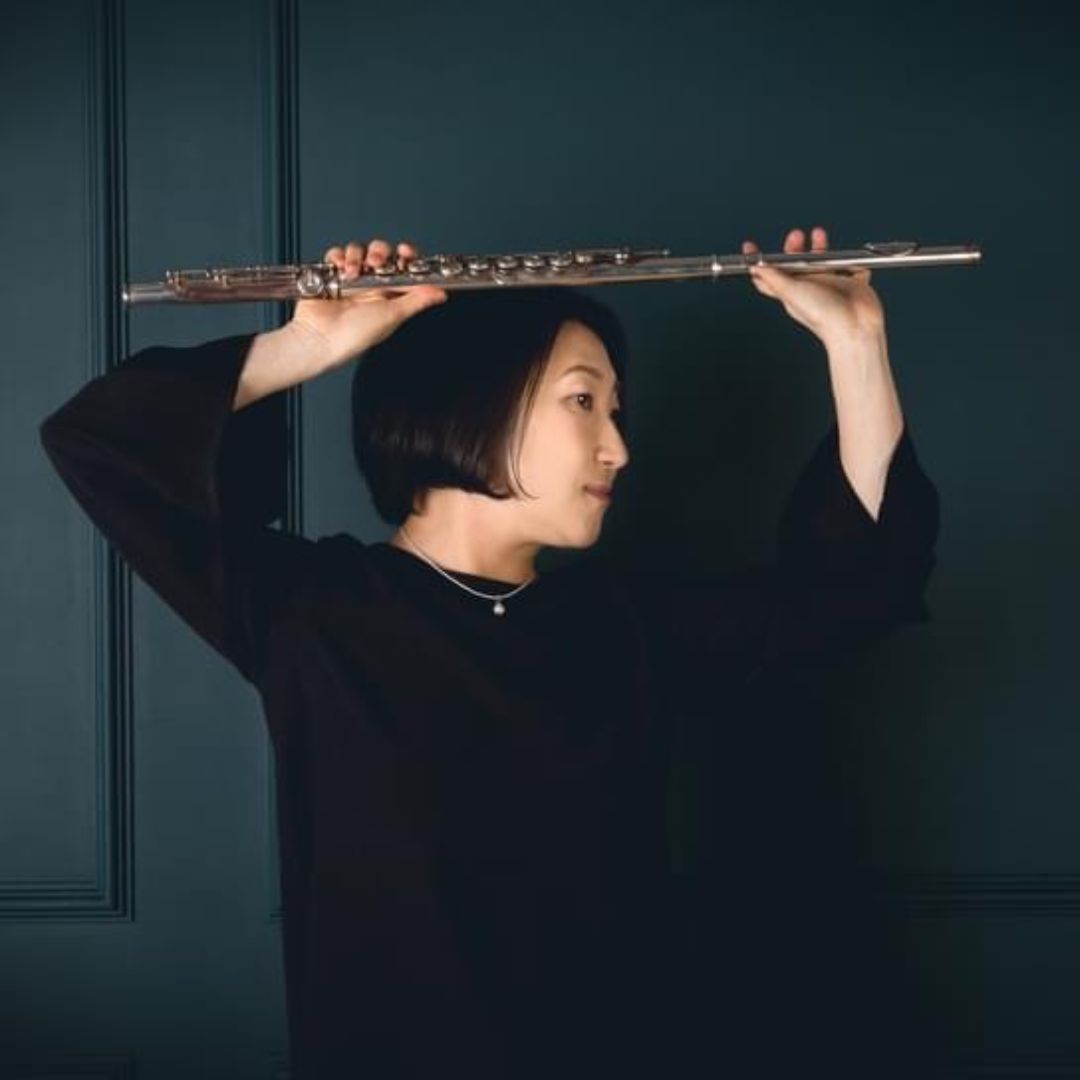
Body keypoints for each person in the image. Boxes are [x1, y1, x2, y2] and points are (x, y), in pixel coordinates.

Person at [38, 227, 939, 1078]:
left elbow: (858, 588)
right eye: (583, 401)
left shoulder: (626, 627)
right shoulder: (314, 615)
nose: (618, 448)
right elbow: (98, 445)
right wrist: (306, 346)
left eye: (615, 409)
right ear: (473, 399)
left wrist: (856, 341)